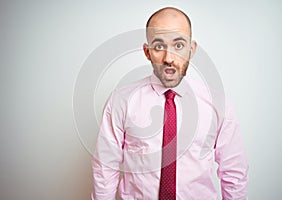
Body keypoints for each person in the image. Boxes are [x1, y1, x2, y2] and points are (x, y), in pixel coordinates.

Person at [92, 7, 248, 200]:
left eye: (179, 45)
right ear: (147, 52)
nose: (169, 58)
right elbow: (105, 168)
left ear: (191, 50)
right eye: (159, 46)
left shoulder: (218, 103)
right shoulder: (121, 100)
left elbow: (233, 171)